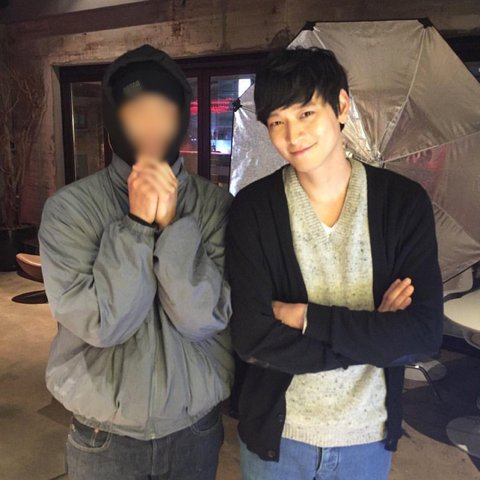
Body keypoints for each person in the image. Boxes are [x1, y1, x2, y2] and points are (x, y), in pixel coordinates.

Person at [225, 47, 443, 480]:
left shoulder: (402, 204)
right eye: (277, 122)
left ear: (341, 106)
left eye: (306, 113)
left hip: (366, 438)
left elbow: (421, 335)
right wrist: (373, 335)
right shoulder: (253, 209)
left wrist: (306, 318)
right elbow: (252, 338)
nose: (293, 135)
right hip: (277, 440)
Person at [38, 44, 233, 480]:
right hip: (104, 435)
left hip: (194, 427)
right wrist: (138, 226)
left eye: (164, 111)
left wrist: (173, 226)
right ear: (113, 122)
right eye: (136, 112)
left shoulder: (215, 207)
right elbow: (103, 324)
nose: (151, 126)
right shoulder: (69, 210)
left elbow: (203, 318)